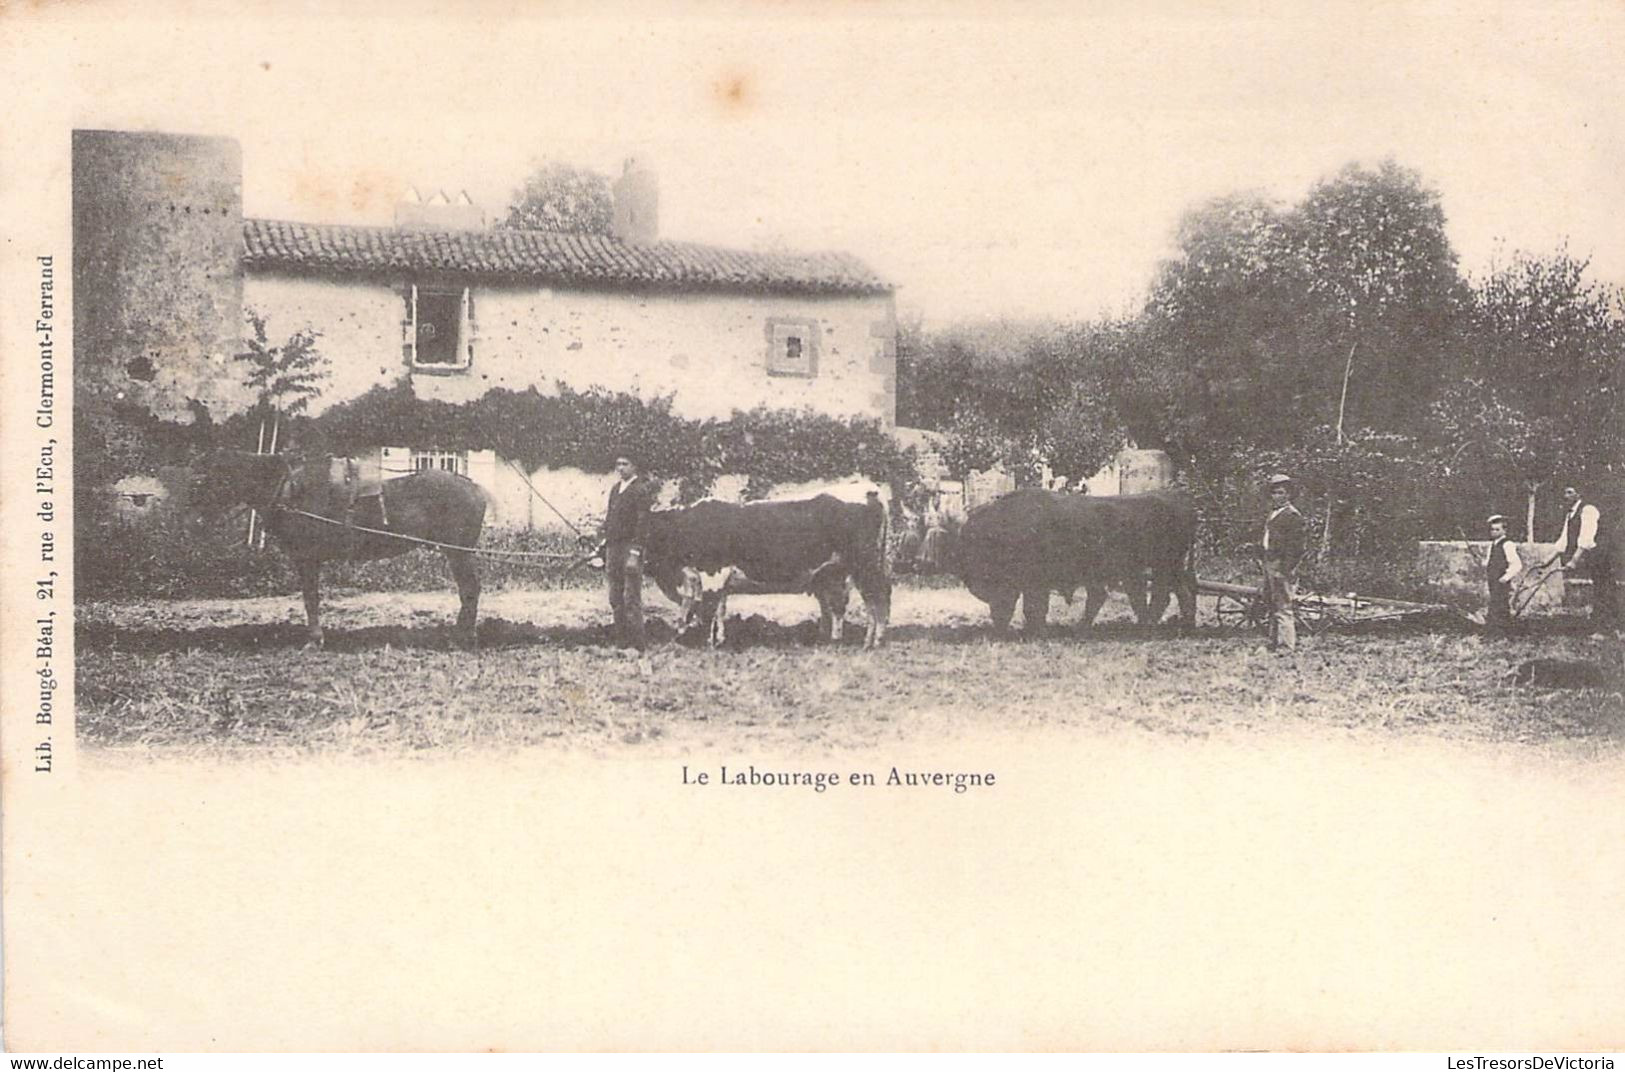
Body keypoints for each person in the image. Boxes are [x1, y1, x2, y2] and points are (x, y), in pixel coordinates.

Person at [601, 452, 658, 650]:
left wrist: (635, 553)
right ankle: (621, 642)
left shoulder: (640, 490)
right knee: (614, 597)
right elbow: (610, 519)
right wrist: (601, 539)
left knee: (631, 597)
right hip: (613, 549)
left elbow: (643, 525)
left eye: (625, 463)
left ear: (635, 467)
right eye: (618, 464)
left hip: (629, 549)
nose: (620, 468)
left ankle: (639, 644)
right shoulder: (615, 489)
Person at [1546, 485, 1616, 633]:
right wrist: (1547, 561)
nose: (1566, 496)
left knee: (1604, 588)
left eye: (1570, 492)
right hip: (1592, 555)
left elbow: (1586, 538)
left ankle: (1607, 627)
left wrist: (1574, 561)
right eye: (1564, 492)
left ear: (1579, 494)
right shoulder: (1570, 514)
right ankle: (1603, 623)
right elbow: (1563, 541)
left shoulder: (1588, 510)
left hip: (1601, 553)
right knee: (1601, 588)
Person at [1261, 473, 1306, 653]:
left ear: (1288, 494)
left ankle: (1286, 645)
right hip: (1269, 561)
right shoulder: (1274, 514)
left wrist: (1285, 570)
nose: (1277, 496)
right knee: (1272, 604)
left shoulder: (1293, 516)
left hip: (1280, 565)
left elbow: (1296, 548)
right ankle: (1274, 642)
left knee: (1283, 606)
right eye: (1274, 493)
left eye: (1281, 493)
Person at [1483, 514, 1523, 638]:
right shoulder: (1492, 545)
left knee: (1500, 605)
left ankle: (1501, 632)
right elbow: (1490, 560)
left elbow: (1517, 564)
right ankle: (1494, 631)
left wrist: (1506, 577)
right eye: (1492, 530)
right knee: (1494, 603)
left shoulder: (1507, 544)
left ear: (1504, 530)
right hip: (1492, 579)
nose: (1494, 532)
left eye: (1497, 530)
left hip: (1501, 580)